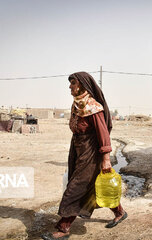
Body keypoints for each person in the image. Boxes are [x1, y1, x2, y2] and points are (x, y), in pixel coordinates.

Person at [42, 72, 127, 240]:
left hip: (91, 153)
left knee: (76, 188)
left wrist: (106, 159)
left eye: (72, 83)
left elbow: (103, 134)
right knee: (93, 187)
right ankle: (120, 212)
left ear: (81, 85)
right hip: (79, 149)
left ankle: (63, 227)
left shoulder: (93, 107)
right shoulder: (77, 105)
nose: (70, 86)